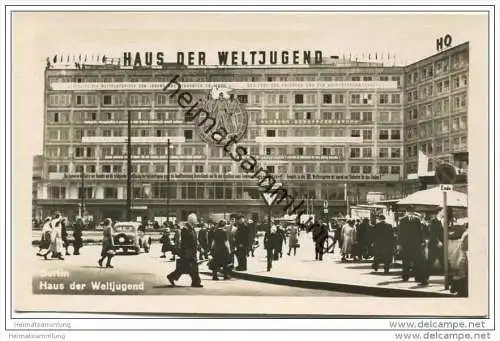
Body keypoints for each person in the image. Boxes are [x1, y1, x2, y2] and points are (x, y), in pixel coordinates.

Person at [167, 213, 203, 288]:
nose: (196, 221)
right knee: (189, 267)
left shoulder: (191, 228)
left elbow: (195, 240)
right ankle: (195, 282)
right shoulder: (185, 229)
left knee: (189, 267)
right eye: (195, 220)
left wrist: (199, 247)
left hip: (192, 251)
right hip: (187, 252)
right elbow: (185, 241)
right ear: (191, 220)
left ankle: (195, 282)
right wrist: (186, 252)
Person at [398, 208, 428, 284]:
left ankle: (417, 277)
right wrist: (399, 244)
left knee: (416, 261)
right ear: (406, 212)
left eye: (411, 212)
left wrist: (421, 241)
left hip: (416, 244)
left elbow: (420, 231)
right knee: (406, 261)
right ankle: (405, 276)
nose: (410, 213)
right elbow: (400, 232)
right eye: (409, 212)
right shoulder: (402, 220)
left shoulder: (417, 219)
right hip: (406, 244)